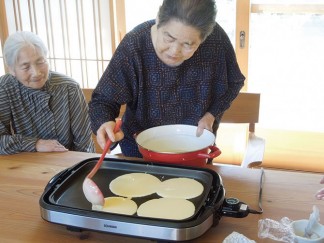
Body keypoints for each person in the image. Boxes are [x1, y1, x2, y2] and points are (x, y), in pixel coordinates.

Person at [89, 0, 245, 157]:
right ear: (158, 19)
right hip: (140, 149)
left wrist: (211, 114)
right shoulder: (134, 45)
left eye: (188, 44)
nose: (174, 51)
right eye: (169, 38)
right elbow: (103, 100)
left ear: (203, 39)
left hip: (194, 149)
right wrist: (105, 122)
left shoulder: (215, 41)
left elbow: (234, 82)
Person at [0, 31, 95, 154]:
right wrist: (35, 144)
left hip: (69, 161)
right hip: (27, 162)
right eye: (25, 66)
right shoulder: (5, 88)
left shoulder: (69, 88)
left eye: (40, 62)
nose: (36, 73)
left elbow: (84, 143)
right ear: (12, 69)